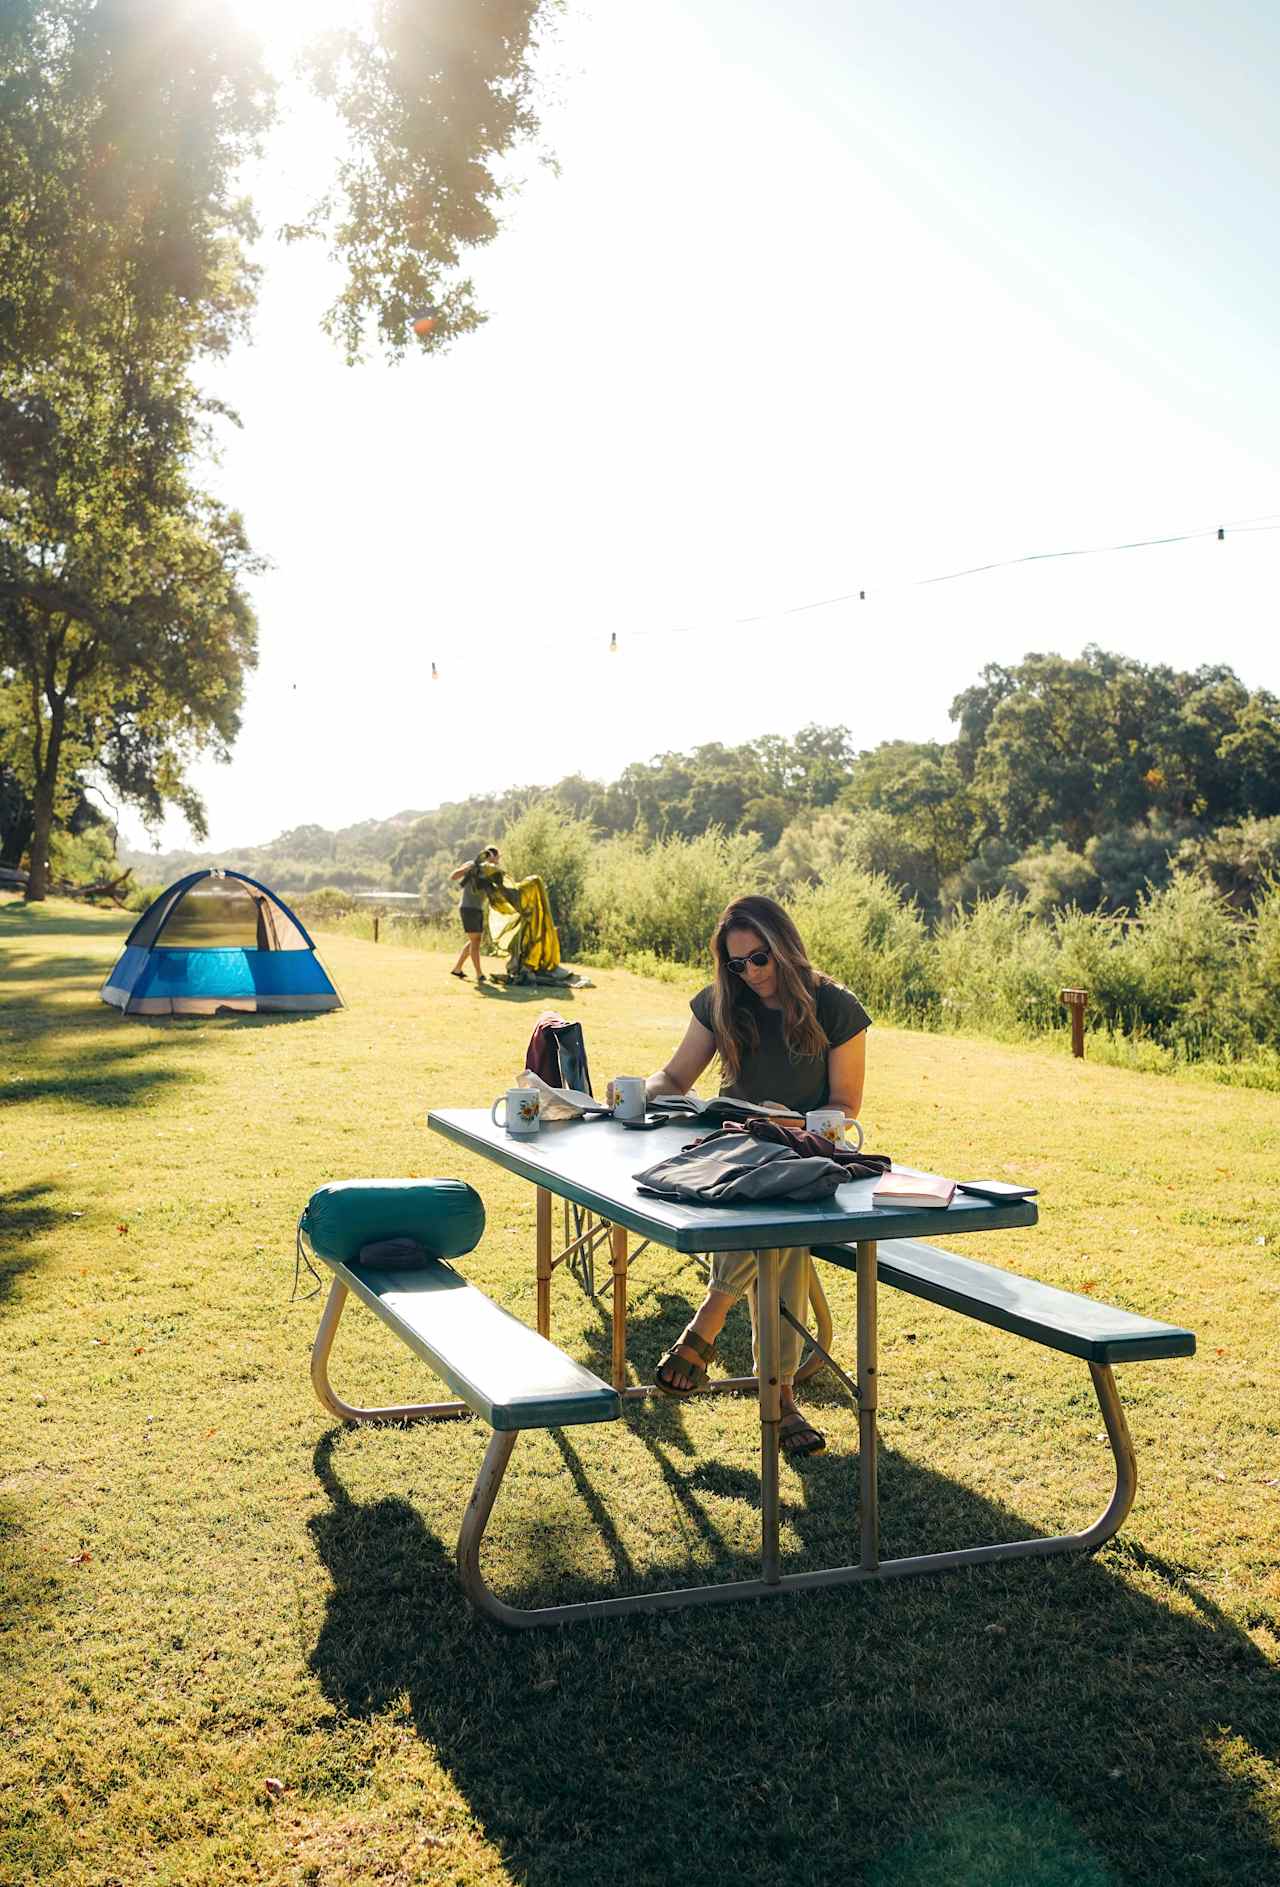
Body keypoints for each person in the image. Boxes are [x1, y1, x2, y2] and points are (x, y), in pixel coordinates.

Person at [645, 894, 870, 1458]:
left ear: (786, 948)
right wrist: (642, 1095)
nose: (749, 973)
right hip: (731, 1152)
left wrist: (786, 1122)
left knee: (777, 1209)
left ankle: (710, 1317)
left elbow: (845, 1104)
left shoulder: (835, 1007)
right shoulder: (723, 1003)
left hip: (804, 1153)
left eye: (759, 959)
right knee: (778, 1233)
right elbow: (675, 1075)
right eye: (735, 964)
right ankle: (781, 1398)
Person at [448, 846, 500, 983]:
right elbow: (453, 876)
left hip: (477, 909)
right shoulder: (472, 864)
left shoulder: (491, 872)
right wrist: (468, 869)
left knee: (474, 940)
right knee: (475, 941)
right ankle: (479, 974)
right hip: (468, 907)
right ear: (491, 856)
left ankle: (457, 968)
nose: (498, 861)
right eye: (497, 858)